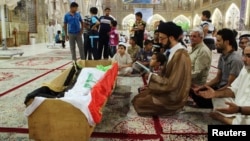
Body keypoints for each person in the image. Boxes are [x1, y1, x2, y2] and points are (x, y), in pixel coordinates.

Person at [132, 21, 192, 116]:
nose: (159, 41)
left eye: (162, 38)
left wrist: (152, 77)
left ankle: (175, 109)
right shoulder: (173, 51)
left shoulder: (181, 55)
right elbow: (166, 75)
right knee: (138, 97)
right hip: (168, 90)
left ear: (171, 38)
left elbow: (172, 84)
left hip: (174, 97)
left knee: (139, 102)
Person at [197, 45, 250, 125]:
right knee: (217, 98)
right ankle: (232, 119)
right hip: (240, 107)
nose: (243, 59)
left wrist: (239, 110)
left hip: (243, 110)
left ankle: (227, 119)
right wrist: (215, 94)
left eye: (249, 56)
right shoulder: (246, 69)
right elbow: (234, 89)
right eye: (244, 55)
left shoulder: (236, 60)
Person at [192, 28, 244, 108]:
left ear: (227, 42)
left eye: (219, 41)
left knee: (202, 98)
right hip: (220, 87)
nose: (216, 43)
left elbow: (230, 85)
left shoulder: (235, 60)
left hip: (227, 92)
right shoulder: (223, 56)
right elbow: (217, 78)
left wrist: (215, 93)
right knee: (195, 91)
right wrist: (201, 87)